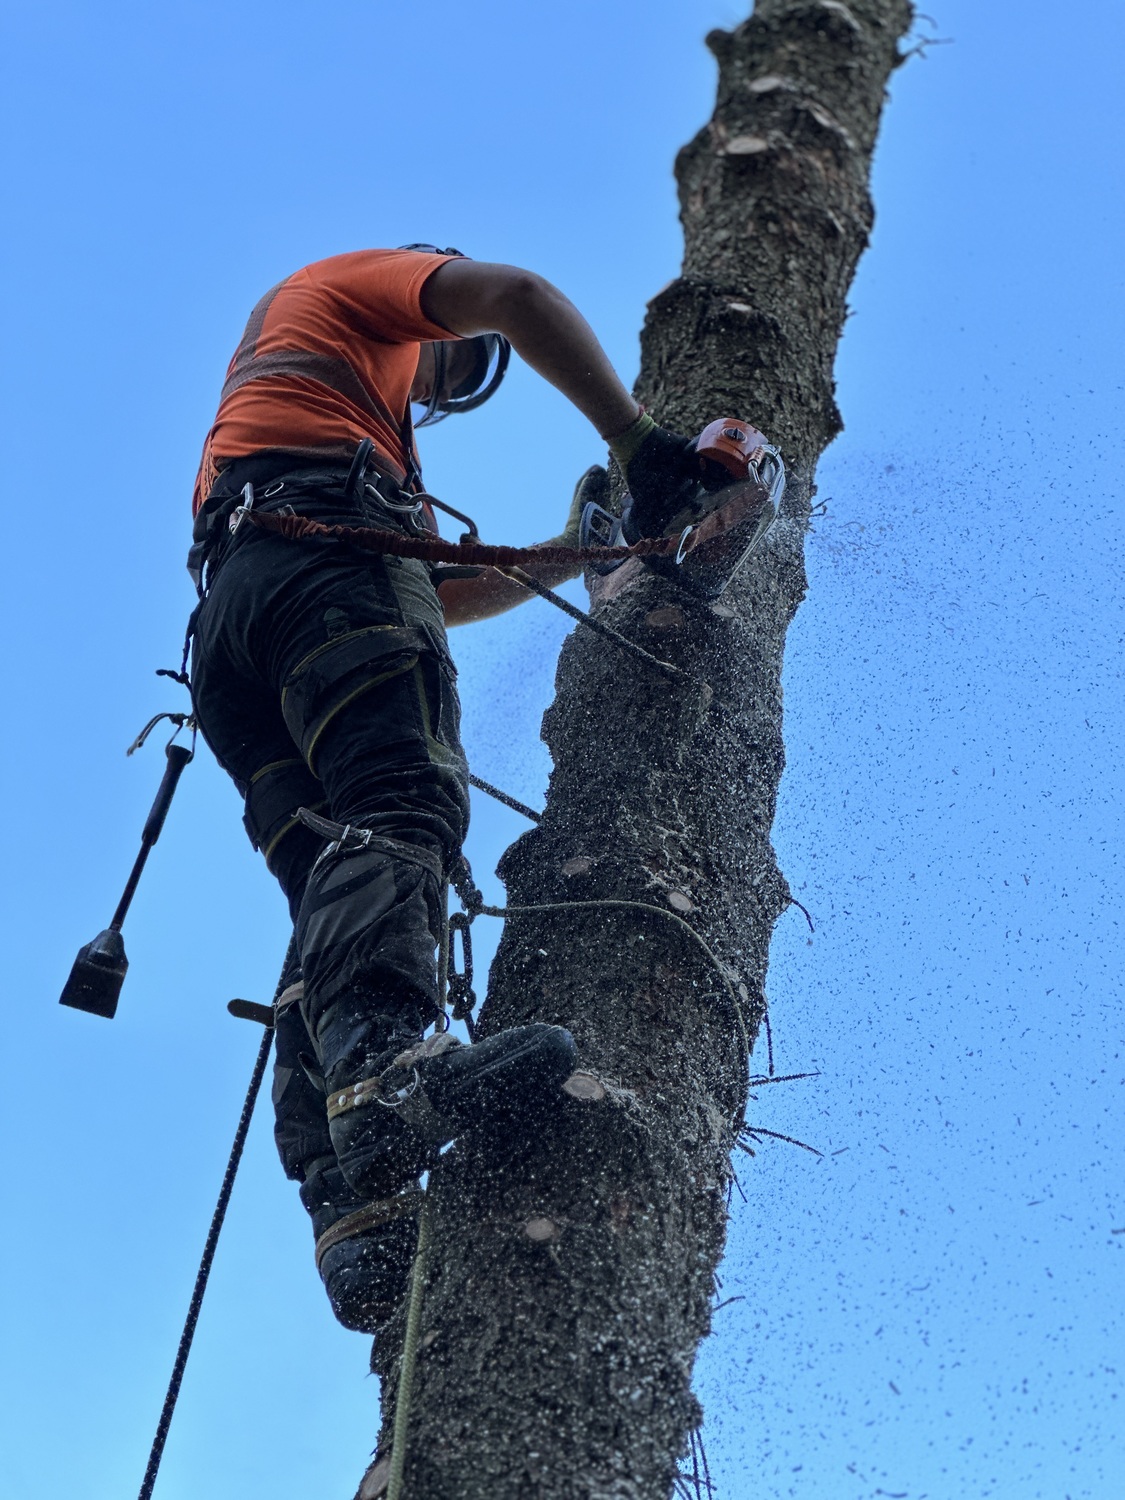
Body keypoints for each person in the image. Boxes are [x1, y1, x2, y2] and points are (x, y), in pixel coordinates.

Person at [187, 245, 696, 1333]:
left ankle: (351, 1207)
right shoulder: (353, 295)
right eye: (450, 367)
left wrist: (569, 554)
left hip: (237, 630)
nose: (438, 386)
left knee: (337, 886)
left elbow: (429, 588)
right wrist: (640, 442)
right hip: (317, 578)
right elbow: (517, 299)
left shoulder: (307, 421)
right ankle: (385, 1075)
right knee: (402, 811)